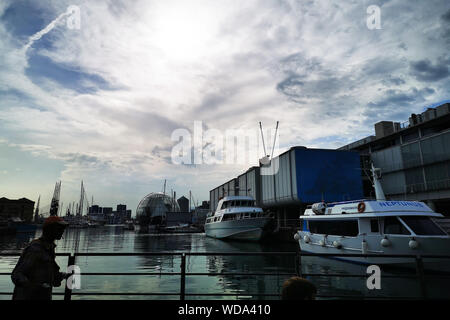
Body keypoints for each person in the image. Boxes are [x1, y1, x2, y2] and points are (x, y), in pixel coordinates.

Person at [11, 216, 69, 300]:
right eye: (59, 228)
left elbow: (46, 273)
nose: (62, 231)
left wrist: (63, 276)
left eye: (63, 228)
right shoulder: (36, 249)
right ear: (50, 230)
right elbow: (17, 274)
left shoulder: (49, 248)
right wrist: (36, 286)